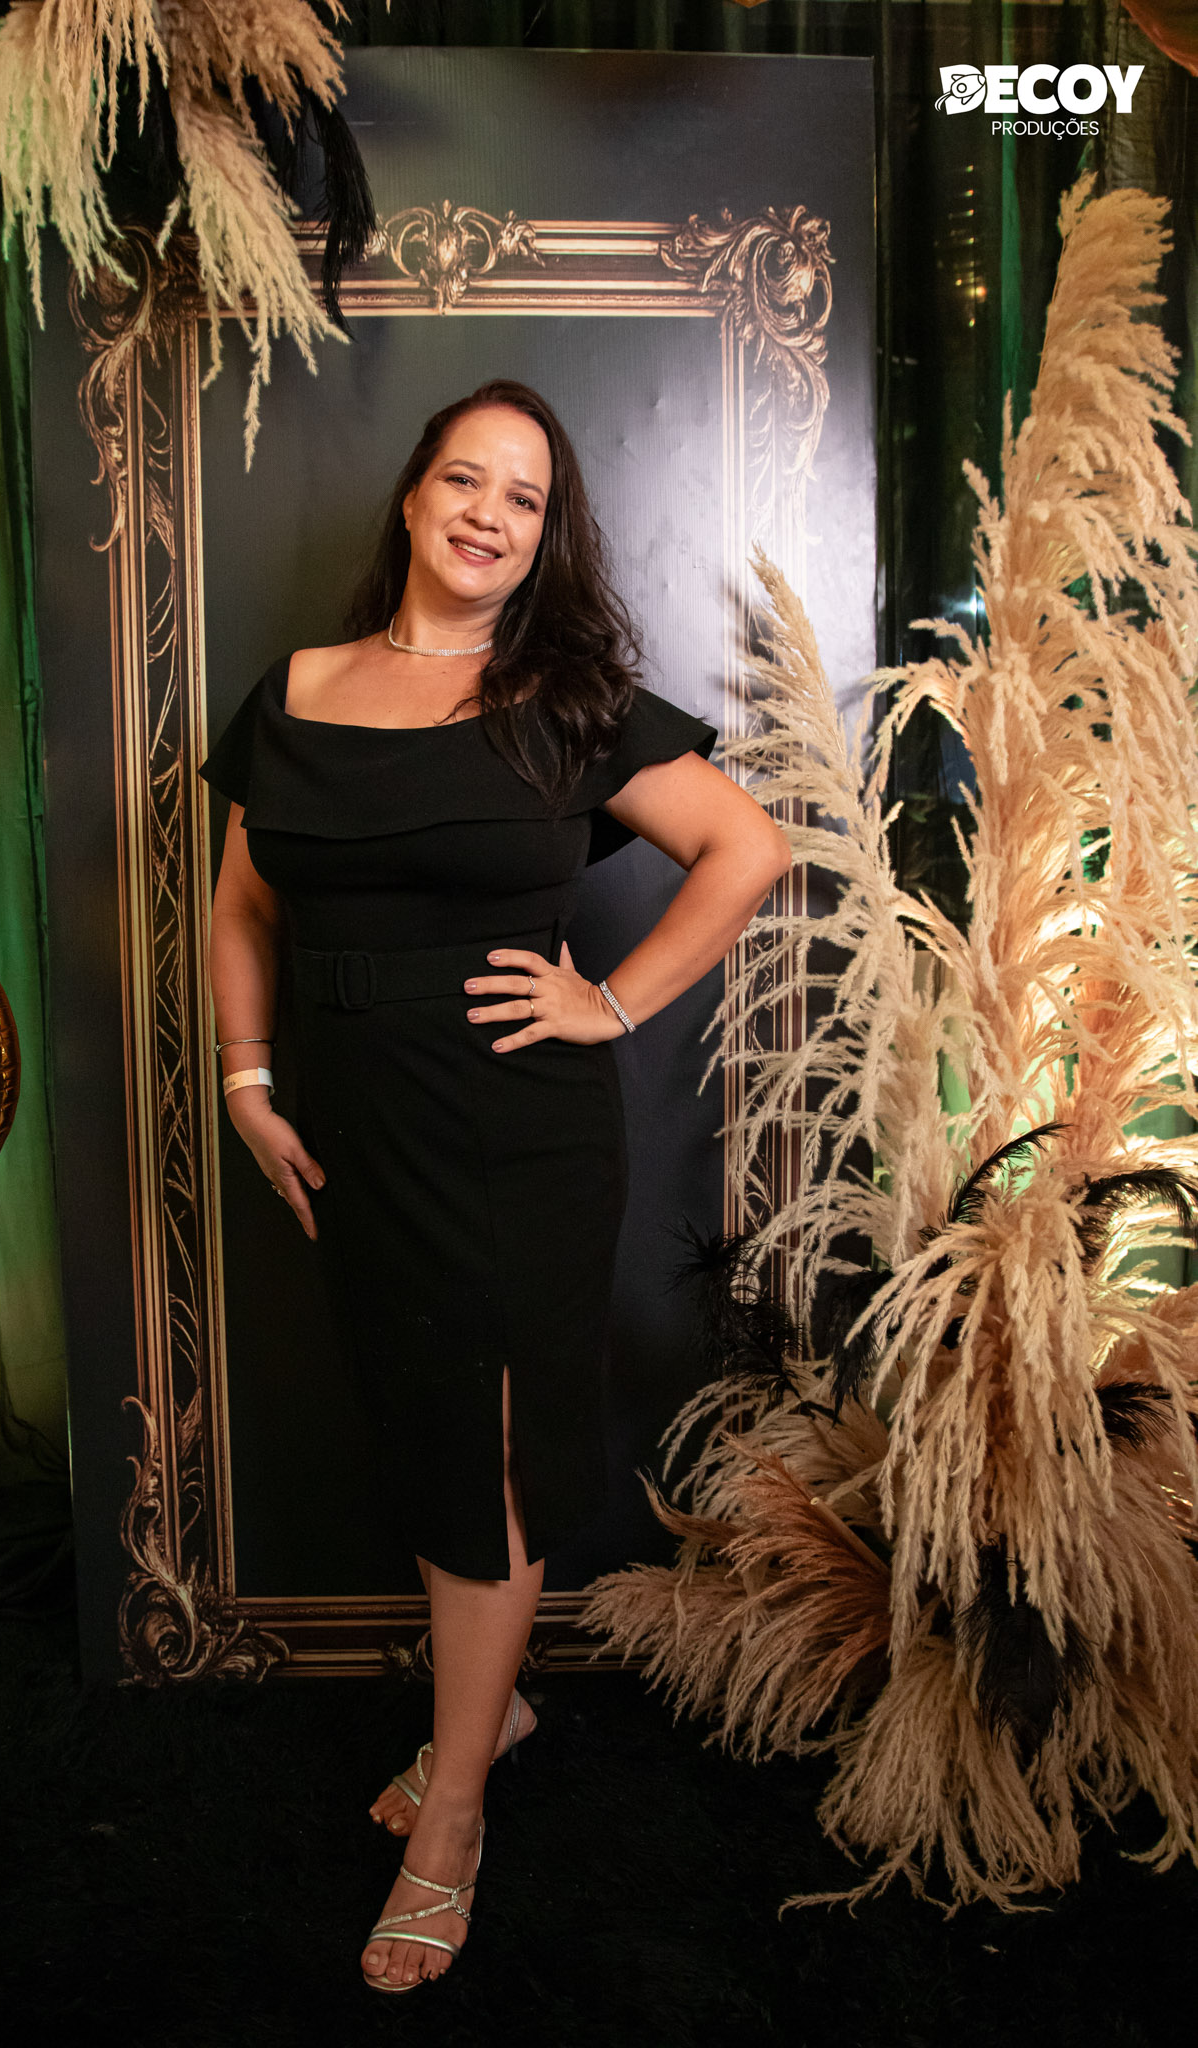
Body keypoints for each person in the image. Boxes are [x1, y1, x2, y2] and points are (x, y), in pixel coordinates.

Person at [200, 379, 791, 1994]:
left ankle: (451, 1809)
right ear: (411, 498)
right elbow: (243, 903)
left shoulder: (562, 701)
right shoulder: (298, 689)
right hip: (357, 1129)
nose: (486, 514)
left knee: (494, 1457)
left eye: (522, 499)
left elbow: (745, 850)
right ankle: (497, 1706)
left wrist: (611, 1002)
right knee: (422, 1431)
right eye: (465, 480)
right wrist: (246, 1083)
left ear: (543, 538)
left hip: (516, 1139)